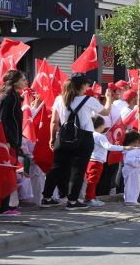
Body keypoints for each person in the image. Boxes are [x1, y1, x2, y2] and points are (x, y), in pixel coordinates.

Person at [41, 74, 111, 211]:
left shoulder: (59, 99)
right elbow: (106, 112)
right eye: (86, 84)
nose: (87, 87)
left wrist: (52, 138)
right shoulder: (88, 100)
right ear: (81, 85)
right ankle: (72, 201)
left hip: (63, 136)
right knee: (78, 169)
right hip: (83, 137)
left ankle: (47, 197)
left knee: (56, 167)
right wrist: (108, 99)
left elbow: (54, 121)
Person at [0, 70, 28, 216]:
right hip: (7, 143)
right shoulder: (6, 98)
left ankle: (4, 206)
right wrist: (5, 141)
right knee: (4, 175)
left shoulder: (15, 97)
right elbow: (1, 121)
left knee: (9, 174)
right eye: (23, 79)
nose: (26, 81)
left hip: (13, 142)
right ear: (14, 81)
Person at [85, 116, 132, 207]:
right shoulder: (100, 136)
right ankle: (90, 198)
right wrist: (124, 147)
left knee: (91, 180)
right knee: (93, 180)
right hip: (96, 161)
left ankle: (91, 197)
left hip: (90, 160)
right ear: (101, 125)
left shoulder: (90, 134)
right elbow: (108, 147)